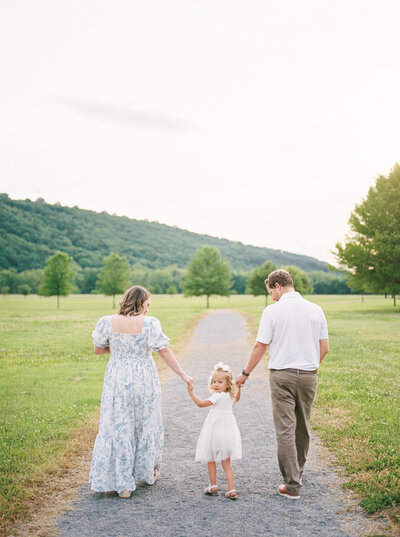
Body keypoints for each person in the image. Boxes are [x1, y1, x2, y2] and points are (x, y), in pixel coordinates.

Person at [89, 285, 193, 499]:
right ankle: (147, 472)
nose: (148, 308)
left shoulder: (107, 322)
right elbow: (163, 350)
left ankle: (123, 485)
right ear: (140, 302)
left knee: (119, 425)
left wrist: (119, 348)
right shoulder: (150, 324)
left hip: (117, 377)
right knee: (146, 423)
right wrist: (183, 375)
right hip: (144, 378)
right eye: (147, 304)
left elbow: (98, 349)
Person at [236, 269, 329, 500]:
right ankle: (298, 472)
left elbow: (260, 346)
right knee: (302, 426)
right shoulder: (316, 310)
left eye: (271, 292)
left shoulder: (272, 312)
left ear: (277, 286)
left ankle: (292, 484)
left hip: (282, 376)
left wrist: (245, 374)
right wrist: (308, 365)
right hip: (309, 375)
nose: (272, 297)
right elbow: (324, 348)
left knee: (285, 428)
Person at [188, 362, 242, 500]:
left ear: (227, 384)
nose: (216, 384)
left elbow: (200, 404)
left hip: (215, 432)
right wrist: (239, 388)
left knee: (211, 458)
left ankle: (213, 485)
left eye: (220, 382)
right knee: (226, 463)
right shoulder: (229, 396)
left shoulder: (217, 396)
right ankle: (231, 489)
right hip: (228, 433)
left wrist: (191, 392)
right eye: (214, 382)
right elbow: (237, 398)